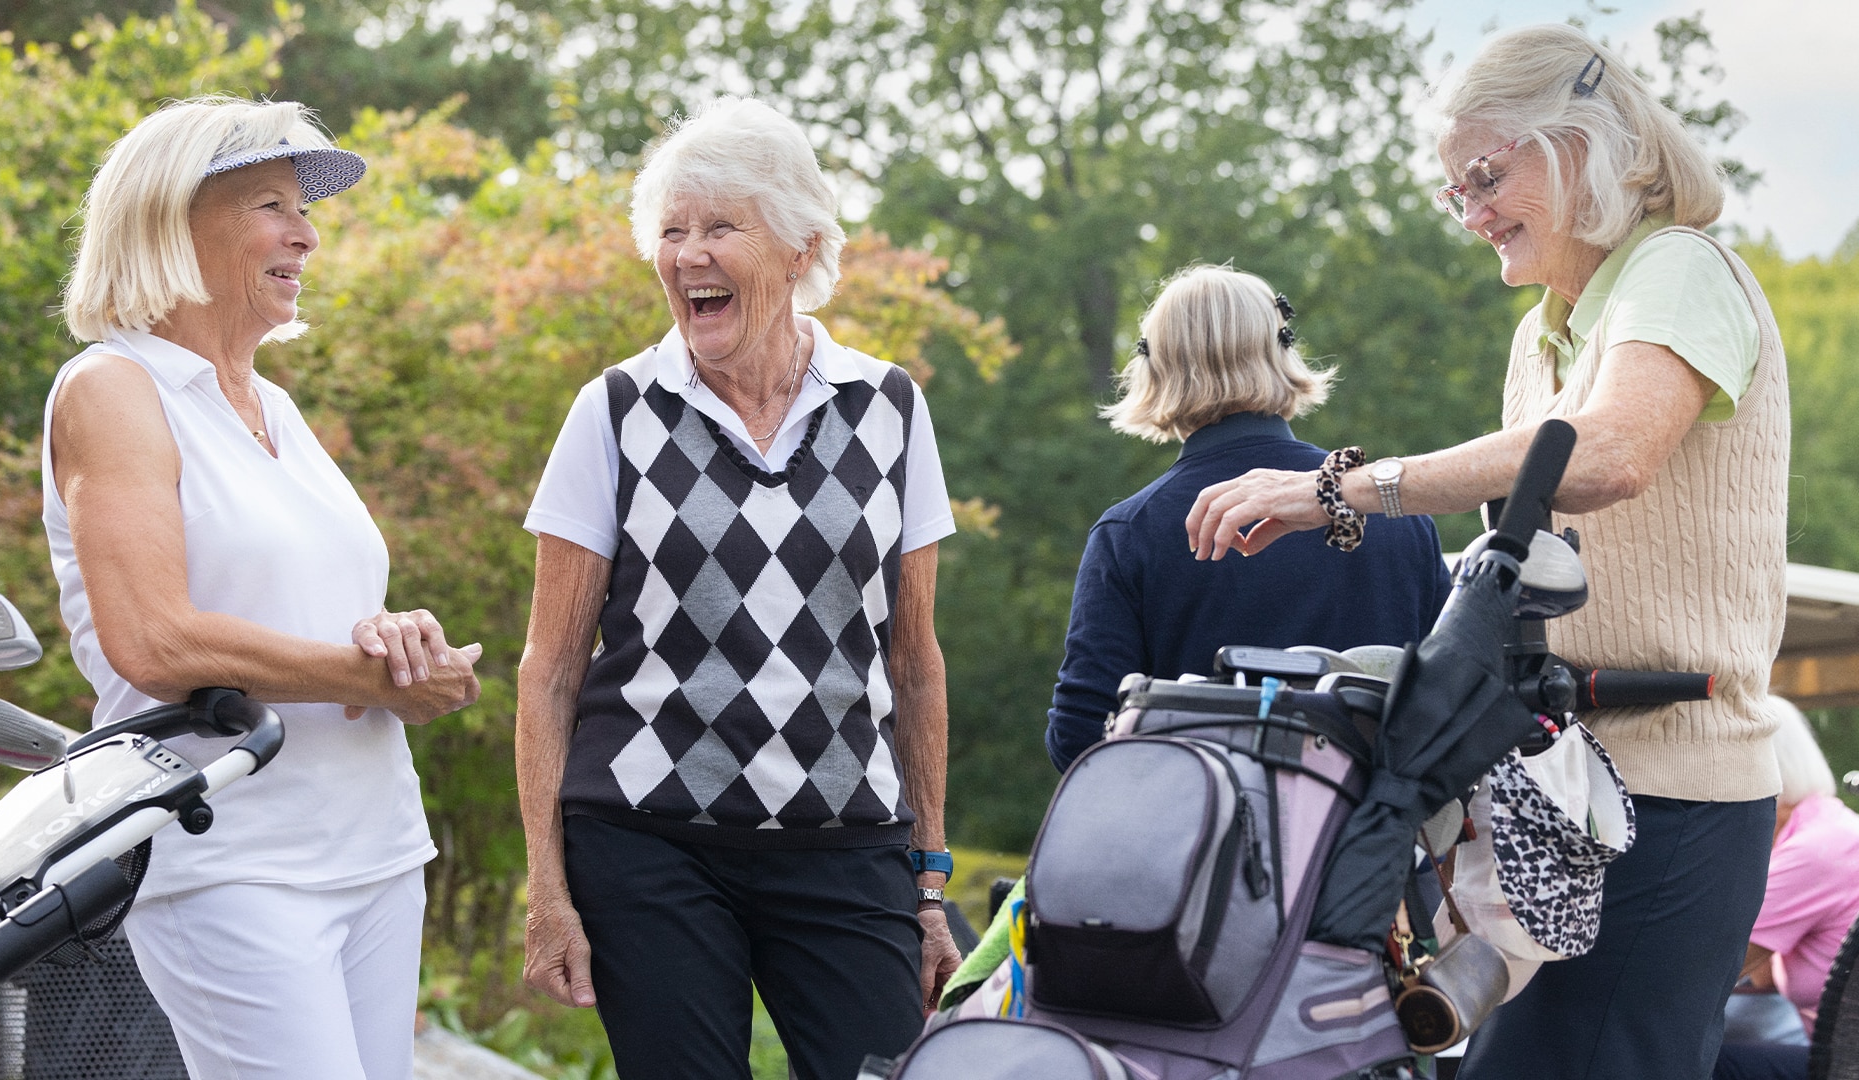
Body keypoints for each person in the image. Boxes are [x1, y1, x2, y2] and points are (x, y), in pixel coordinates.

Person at [1185, 24, 1788, 1080]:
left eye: (1484, 175)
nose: (1469, 214)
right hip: (1562, 793)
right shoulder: (1544, 332)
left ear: (1583, 144)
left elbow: (1604, 456)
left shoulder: (1679, 271)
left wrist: (1340, 489)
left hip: (1675, 792)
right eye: (1451, 193)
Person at [515, 95, 959, 1080]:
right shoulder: (615, 412)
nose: (688, 255)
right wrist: (548, 888)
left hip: (847, 840)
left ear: (801, 248)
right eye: (671, 232)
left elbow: (914, 661)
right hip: (646, 840)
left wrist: (929, 880)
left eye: (721, 226)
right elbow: (548, 670)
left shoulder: (888, 408)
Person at [43, 95, 483, 1080]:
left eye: (305, 211)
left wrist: (402, 646)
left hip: (375, 849)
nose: (307, 235)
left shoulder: (275, 407)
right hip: (231, 861)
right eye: (271, 206)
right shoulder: (113, 387)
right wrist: (367, 680)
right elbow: (154, 641)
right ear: (169, 218)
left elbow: (309, 611)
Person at [1046, 264, 1451, 771]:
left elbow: (1081, 735)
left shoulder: (1131, 533)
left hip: (1204, 838)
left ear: (1157, 367)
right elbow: (1450, 703)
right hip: (1381, 840)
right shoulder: (1400, 515)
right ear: (1281, 351)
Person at [1714, 697, 1859, 1080]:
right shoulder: (1826, 825)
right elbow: (1761, 974)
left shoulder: (1814, 851)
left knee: (1704, 1064)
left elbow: (1715, 969)